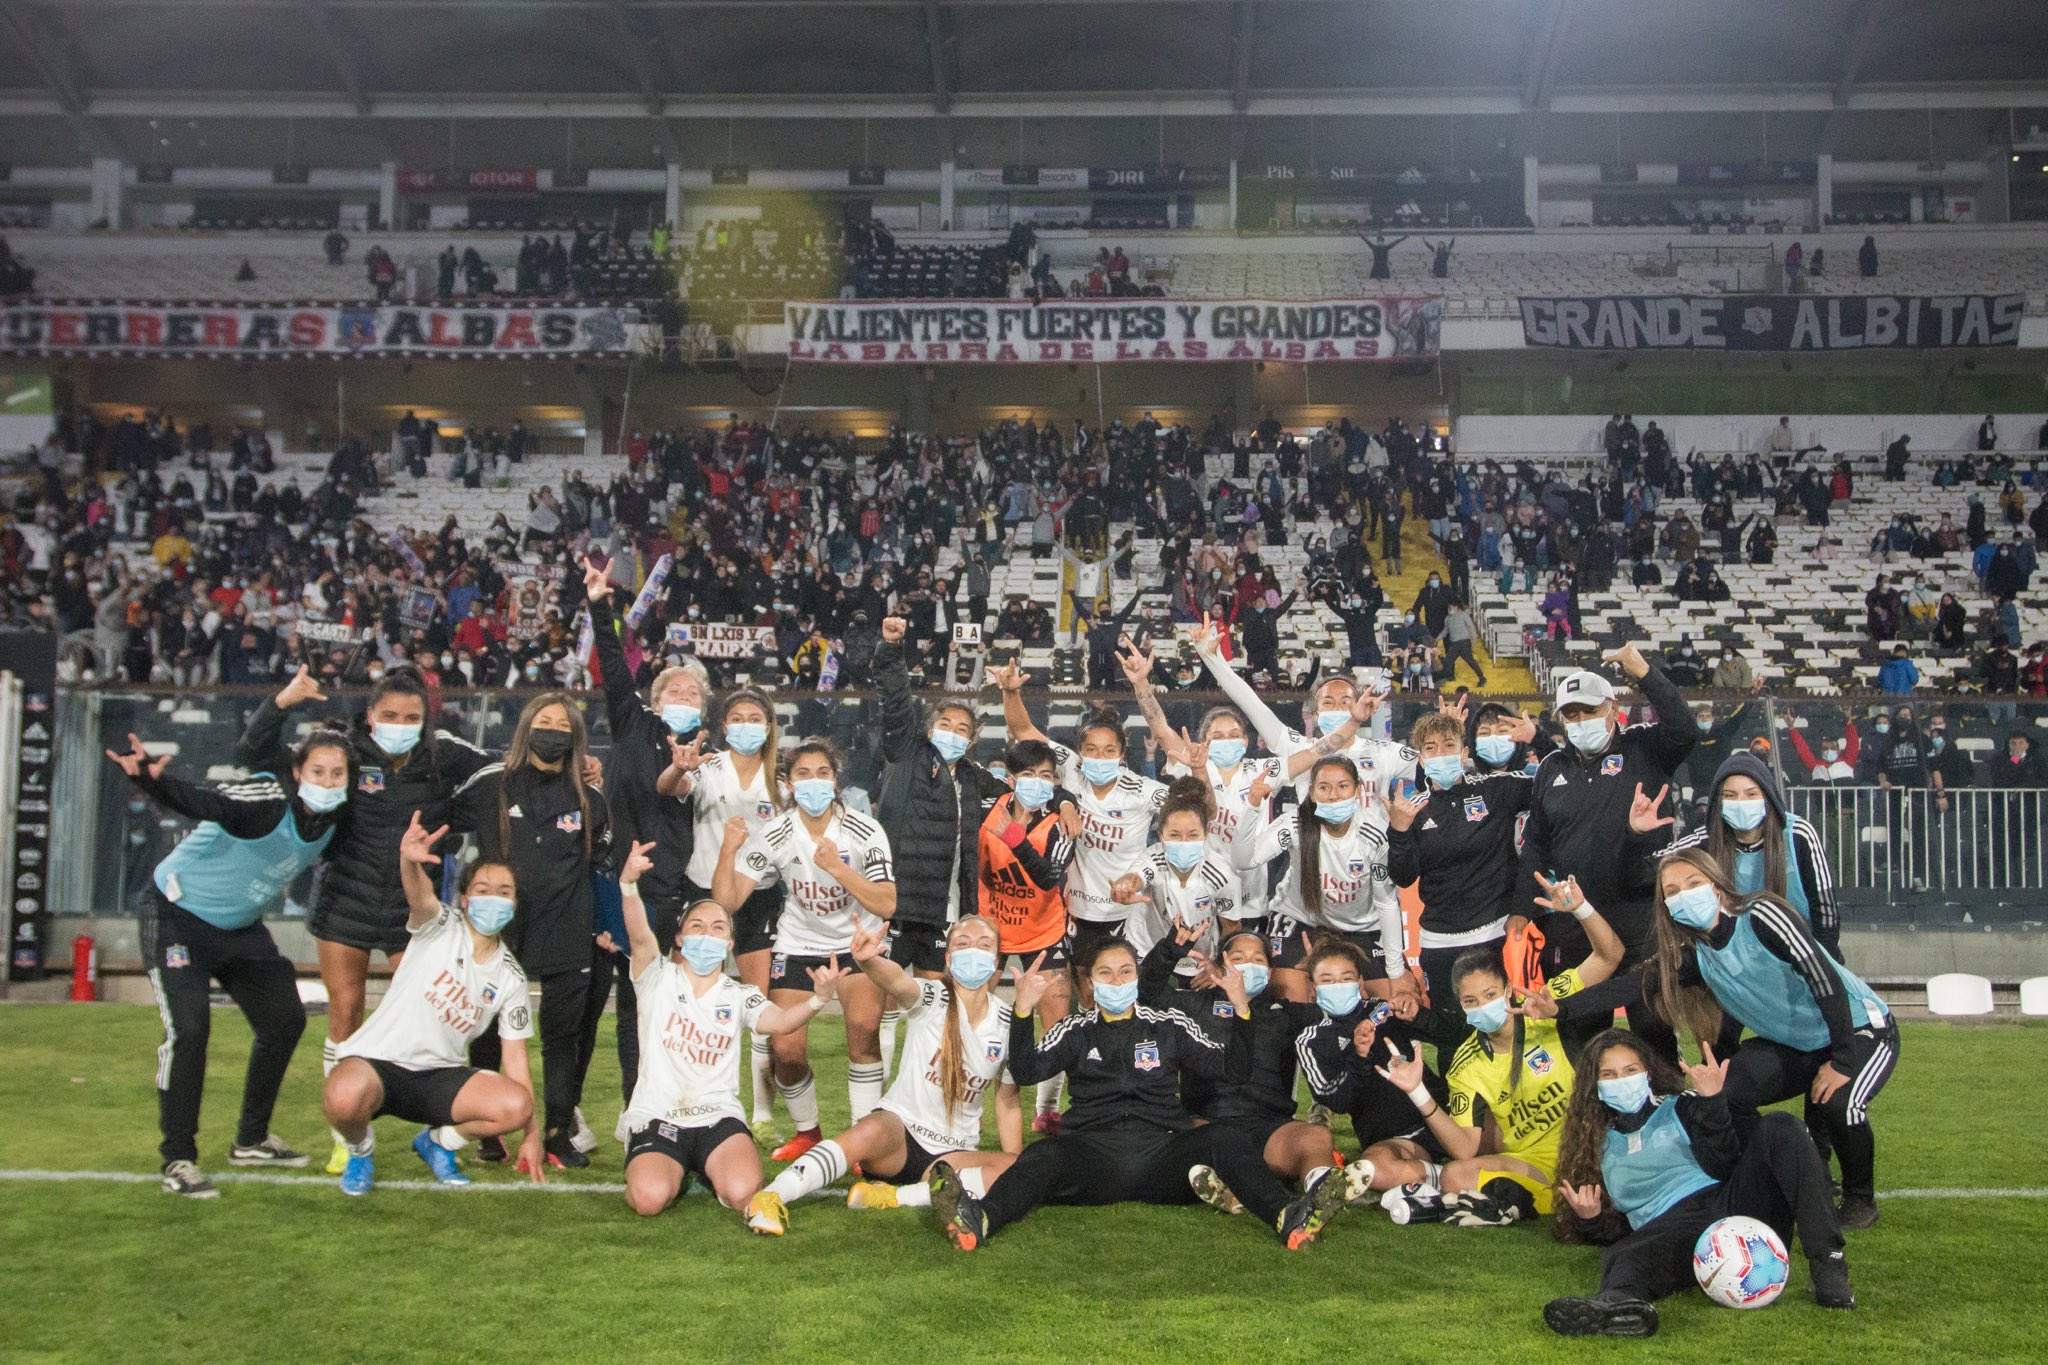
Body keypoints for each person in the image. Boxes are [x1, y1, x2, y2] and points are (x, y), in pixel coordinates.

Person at [928, 941, 1348, 1252]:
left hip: (1162, 1156)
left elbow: (1231, 1070)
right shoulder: (1075, 1029)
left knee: (1226, 1138)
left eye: (1125, 971)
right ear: (1090, 983)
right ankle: (978, 1219)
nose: (1116, 980)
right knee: (1041, 1157)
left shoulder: (1169, 1024)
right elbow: (1026, 1070)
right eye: (1106, 973)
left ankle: (1286, 1215)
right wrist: (1022, 1013)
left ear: (1136, 977)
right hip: (1092, 1157)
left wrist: (1241, 1011)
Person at [235, 663, 490, 1175]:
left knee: (435, 1018)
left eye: (411, 716)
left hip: (411, 911)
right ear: (371, 714)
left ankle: (440, 1130)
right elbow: (251, 755)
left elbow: (506, 770)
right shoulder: (348, 750)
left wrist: (582, 769)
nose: (401, 722)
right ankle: (345, 1137)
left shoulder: (445, 754)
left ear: (425, 718)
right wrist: (280, 704)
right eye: (390, 714)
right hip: (343, 905)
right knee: (345, 1017)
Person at [108, 730, 350, 1197]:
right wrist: (152, 783)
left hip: (240, 927)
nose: (327, 780)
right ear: (298, 773)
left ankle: (251, 1139)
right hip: (177, 916)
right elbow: (209, 804)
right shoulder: (266, 804)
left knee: (284, 1021)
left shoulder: (337, 820)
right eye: (317, 771)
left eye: (337, 773)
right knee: (190, 1030)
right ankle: (178, 1158)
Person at [1645, 848, 1899, 1229]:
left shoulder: (1762, 914)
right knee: (1726, 1094)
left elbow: (1823, 978)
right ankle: (1772, 1177)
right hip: (1798, 1044)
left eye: (1693, 883)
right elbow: (1638, 985)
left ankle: (1860, 1199)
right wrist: (1559, 1004)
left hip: (1863, 1028)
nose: (1685, 895)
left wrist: (1844, 1060)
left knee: (1840, 1102)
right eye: (1673, 891)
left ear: (1717, 886)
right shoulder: (1697, 953)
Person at [1542, 1029, 1854, 1337]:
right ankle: (1617, 1308)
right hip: (1671, 1231)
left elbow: (1723, 1165)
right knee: (1626, 1253)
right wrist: (1592, 1220)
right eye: (1608, 1074)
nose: (1621, 1080)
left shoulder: (1682, 1106)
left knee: (1780, 1126)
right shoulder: (1593, 1148)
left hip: (1731, 1207)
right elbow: (1619, 1230)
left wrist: (1713, 1101)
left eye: (1630, 1070)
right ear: (1593, 1085)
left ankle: (1829, 1264)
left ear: (1647, 1073)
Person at [1373, 871, 1626, 1227]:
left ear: (1508, 989)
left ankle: (1511, 1204)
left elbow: (1610, 955)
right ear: (1461, 1006)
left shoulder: (1544, 1002)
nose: (1483, 1006)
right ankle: (1522, 1201)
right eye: (1470, 1001)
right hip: (1532, 1164)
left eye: (1490, 995)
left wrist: (1581, 908)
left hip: (1594, 1146)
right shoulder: (1465, 1063)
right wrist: (1418, 1092)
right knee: (1455, 1175)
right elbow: (1464, 1149)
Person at [324, 813, 544, 1194]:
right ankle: (360, 1151)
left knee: (516, 1105)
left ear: (515, 905)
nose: (493, 898)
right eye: (483, 889)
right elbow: (420, 896)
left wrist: (531, 1132)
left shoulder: (510, 976)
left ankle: (438, 1143)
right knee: (341, 1097)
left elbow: (516, 1058)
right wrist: (408, 860)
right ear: (464, 899)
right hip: (379, 1064)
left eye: (504, 892)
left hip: (440, 1077)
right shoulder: (440, 925)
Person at [752, 916, 1020, 1229]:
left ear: (996, 959)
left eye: (984, 945)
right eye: (963, 944)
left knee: (1018, 1168)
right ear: (948, 957)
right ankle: (770, 1196)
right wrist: (868, 961)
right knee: (867, 1130)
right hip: (898, 1138)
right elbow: (896, 981)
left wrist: (1014, 1164)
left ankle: (893, 1197)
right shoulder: (932, 996)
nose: (973, 951)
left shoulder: (1009, 1023)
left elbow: (1008, 1101)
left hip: (953, 1155)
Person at [615, 871, 850, 1223]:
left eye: (718, 928)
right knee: (649, 1199)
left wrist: (818, 1000)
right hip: (659, 1116)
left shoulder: (739, 995)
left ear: (729, 943)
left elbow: (783, 1022)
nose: (707, 933)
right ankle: (669, 1167)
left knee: (743, 1193)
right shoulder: (657, 977)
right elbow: (638, 935)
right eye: (697, 926)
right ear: (679, 938)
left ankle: (705, 1168)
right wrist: (628, 885)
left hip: (717, 1119)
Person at [448, 692, 612, 1169]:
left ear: (576, 737)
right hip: (498, 932)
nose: (553, 730)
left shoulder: (589, 798)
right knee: (484, 1032)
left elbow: (603, 862)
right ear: (525, 727)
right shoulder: (489, 784)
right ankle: (487, 1129)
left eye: (563, 725)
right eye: (545, 721)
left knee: (564, 1038)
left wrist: (606, 927)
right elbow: (442, 827)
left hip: (568, 931)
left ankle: (559, 1133)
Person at [713, 740, 896, 1161]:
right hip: (798, 944)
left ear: (835, 780)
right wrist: (728, 849)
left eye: (822, 773)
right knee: (785, 1048)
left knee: (864, 1038)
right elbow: (728, 900)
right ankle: (807, 1132)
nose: (813, 782)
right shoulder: (774, 833)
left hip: (857, 945)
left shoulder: (866, 831)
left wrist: (837, 868)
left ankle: (862, 1140)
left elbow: (886, 903)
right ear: (789, 783)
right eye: (803, 774)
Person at [1516, 644, 1695, 1055]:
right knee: (1581, 1033)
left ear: (1613, 709)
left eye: (1590, 711)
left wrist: (1645, 674)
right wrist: (1521, 909)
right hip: (1577, 920)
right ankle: (1589, 1117)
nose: (1580, 722)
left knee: (1653, 1030)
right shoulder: (1551, 767)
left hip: (1640, 915)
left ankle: (1664, 1105)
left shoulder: (1645, 748)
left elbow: (1686, 731)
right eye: (1571, 714)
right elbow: (1536, 845)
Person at [1140, 925, 1375, 1216]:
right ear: (1218, 967)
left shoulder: (1288, 1013)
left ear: (1271, 972)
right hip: (1210, 1123)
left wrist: (1324, 975)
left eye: (1258, 959)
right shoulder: (1192, 1005)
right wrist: (1169, 949)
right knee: (1192, 1138)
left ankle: (1321, 1190)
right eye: (1238, 958)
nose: (1248, 965)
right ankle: (1236, 1186)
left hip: (1271, 1128)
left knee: (1317, 1138)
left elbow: (1344, 1018)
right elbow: (1147, 992)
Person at [583, 559, 707, 1109]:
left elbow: (675, 792)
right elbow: (612, 664)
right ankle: (600, 1112)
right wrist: (598, 604)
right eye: (675, 690)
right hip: (616, 880)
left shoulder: (710, 753)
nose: (685, 697)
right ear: (655, 701)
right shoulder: (633, 723)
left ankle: (663, 1102)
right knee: (606, 1004)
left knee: (663, 1004)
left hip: (671, 889)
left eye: (694, 694)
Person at [656, 685, 785, 1128]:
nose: (747, 724)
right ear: (725, 727)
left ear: (768, 726)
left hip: (761, 898)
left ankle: (762, 1115)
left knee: (759, 1004)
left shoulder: (781, 784)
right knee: (679, 1002)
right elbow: (669, 786)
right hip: (703, 895)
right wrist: (677, 769)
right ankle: (673, 1096)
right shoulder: (708, 766)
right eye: (739, 717)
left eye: (756, 717)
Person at [994, 676, 1166, 999]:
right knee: (1086, 995)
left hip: (1123, 913)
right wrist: (1011, 691)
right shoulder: (1072, 768)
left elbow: (1192, 813)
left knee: (1121, 992)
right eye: (1091, 750)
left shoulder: (1142, 791)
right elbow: (1023, 731)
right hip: (1076, 910)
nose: (1099, 758)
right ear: (1080, 752)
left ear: (1122, 754)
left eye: (1109, 750)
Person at [1386, 705, 1537, 1055]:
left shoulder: (1497, 789)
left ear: (1465, 752)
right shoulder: (1412, 808)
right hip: (1440, 944)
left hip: (1496, 936)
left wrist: (1537, 739)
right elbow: (1404, 877)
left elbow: (1557, 783)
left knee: (1512, 1034)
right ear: (1421, 759)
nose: (1441, 754)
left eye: (1449, 745)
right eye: (1431, 748)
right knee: (1454, 1042)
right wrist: (1398, 829)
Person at [1194, 619, 1417, 804]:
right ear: (1316, 714)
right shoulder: (1298, 748)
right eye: (1328, 703)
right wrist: (1212, 660)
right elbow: (1250, 703)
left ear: (1360, 707)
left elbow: (1441, 772)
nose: (1338, 708)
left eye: (1346, 702)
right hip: (1312, 856)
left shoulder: (1385, 752)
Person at [976, 738, 1078, 1138]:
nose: (1038, 783)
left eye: (1047, 777)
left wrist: (1016, 837)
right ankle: (967, 1101)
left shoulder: (1062, 824)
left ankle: (1047, 1109)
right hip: (992, 929)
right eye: (1029, 775)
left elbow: (1048, 878)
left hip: (1044, 930)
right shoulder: (990, 805)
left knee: (1056, 1021)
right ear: (1010, 778)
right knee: (971, 1016)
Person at [1293, 941, 1445, 1197]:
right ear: (1312, 988)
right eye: (1327, 980)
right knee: (1373, 1169)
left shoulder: (1386, 1010)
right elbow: (1334, 1100)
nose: (1338, 986)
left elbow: (1450, 1035)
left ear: (1361, 983)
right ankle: (1447, 1174)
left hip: (1446, 1116)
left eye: (1346, 978)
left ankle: (1447, 1167)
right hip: (1398, 1140)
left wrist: (1419, 1015)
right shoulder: (1311, 1041)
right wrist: (1358, 1054)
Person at [1655, 752, 1838, 957]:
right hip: (1737, 961)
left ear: (1767, 796)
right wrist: (1637, 834)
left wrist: (1823, 963)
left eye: (1751, 794)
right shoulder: (1705, 839)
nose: (1740, 802)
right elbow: (1655, 866)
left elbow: (1825, 910)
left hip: (1800, 957)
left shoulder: (1799, 834)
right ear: (1718, 801)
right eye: (1730, 796)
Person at [1267, 755, 1412, 1010]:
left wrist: (1396, 970)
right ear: (1312, 792)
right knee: (1290, 997)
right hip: (1303, 920)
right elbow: (1246, 858)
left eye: (1343, 786)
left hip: (1363, 928)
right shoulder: (1296, 825)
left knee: (1403, 1000)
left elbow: (1387, 904)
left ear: (1358, 790)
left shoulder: (1375, 832)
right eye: (1324, 787)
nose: (1333, 795)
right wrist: (1254, 806)